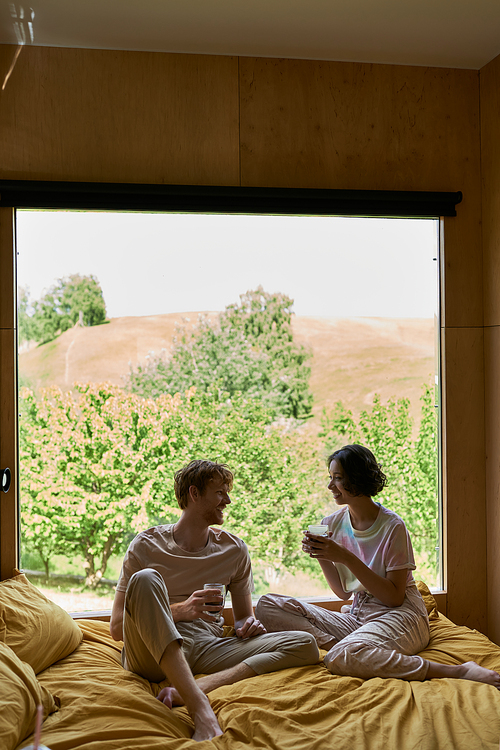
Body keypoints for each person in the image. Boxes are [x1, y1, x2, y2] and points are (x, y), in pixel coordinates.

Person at [256, 444, 500, 688]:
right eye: (330, 478)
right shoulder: (332, 523)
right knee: (268, 605)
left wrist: (345, 557)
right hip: (358, 615)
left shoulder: (392, 526)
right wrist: (321, 554)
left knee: (343, 655)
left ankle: (458, 671)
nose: (330, 486)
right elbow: (343, 593)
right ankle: (340, 647)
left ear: (357, 479)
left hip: (401, 614)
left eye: (338, 478)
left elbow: (394, 597)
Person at [110, 459, 319, 742]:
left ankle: (201, 684)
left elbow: (244, 615)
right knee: (146, 578)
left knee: (305, 644)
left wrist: (248, 625)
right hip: (150, 653)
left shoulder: (233, 550)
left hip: (208, 648)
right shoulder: (146, 545)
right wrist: (181, 611)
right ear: (194, 494)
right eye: (220, 493)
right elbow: (117, 627)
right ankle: (199, 706)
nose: (228, 500)